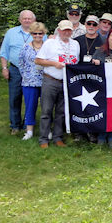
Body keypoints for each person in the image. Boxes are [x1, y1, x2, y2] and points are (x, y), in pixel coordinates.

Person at [34, 20, 80, 148]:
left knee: (61, 112)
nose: (66, 32)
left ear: (72, 31)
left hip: (66, 82)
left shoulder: (75, 44)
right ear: (58, 30)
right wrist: (54, 64)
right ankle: (43, 139)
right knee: (46, 110)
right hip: (51, 80)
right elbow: (38, 60)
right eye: (64, 30)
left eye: (69, 30)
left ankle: (58, 137)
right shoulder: (50, 43)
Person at [0, 9, 37, 134]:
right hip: (15, 69)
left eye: (29, 18)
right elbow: (4, 52)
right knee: (15, 98)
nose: (27, 20)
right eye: (24, 18)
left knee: (30, 98)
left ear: (33, 20)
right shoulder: (11, 32)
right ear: (20, 20)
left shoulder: (38, 32)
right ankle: (15, 125)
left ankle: (28, 124)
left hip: (33, 71)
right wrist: (4, 68)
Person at [18, 22, 47, 141]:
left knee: (47, 107)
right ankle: (29, 131)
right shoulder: (25, 47)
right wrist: (26, 76)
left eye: (40, 33)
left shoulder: (48, 46)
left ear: (43, 34)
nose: (37, 35)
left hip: (46, 81)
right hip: (29, 82)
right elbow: (21, 63)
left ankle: (47, 130)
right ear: (31, 34)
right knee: (30, 106)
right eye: (35, 33)